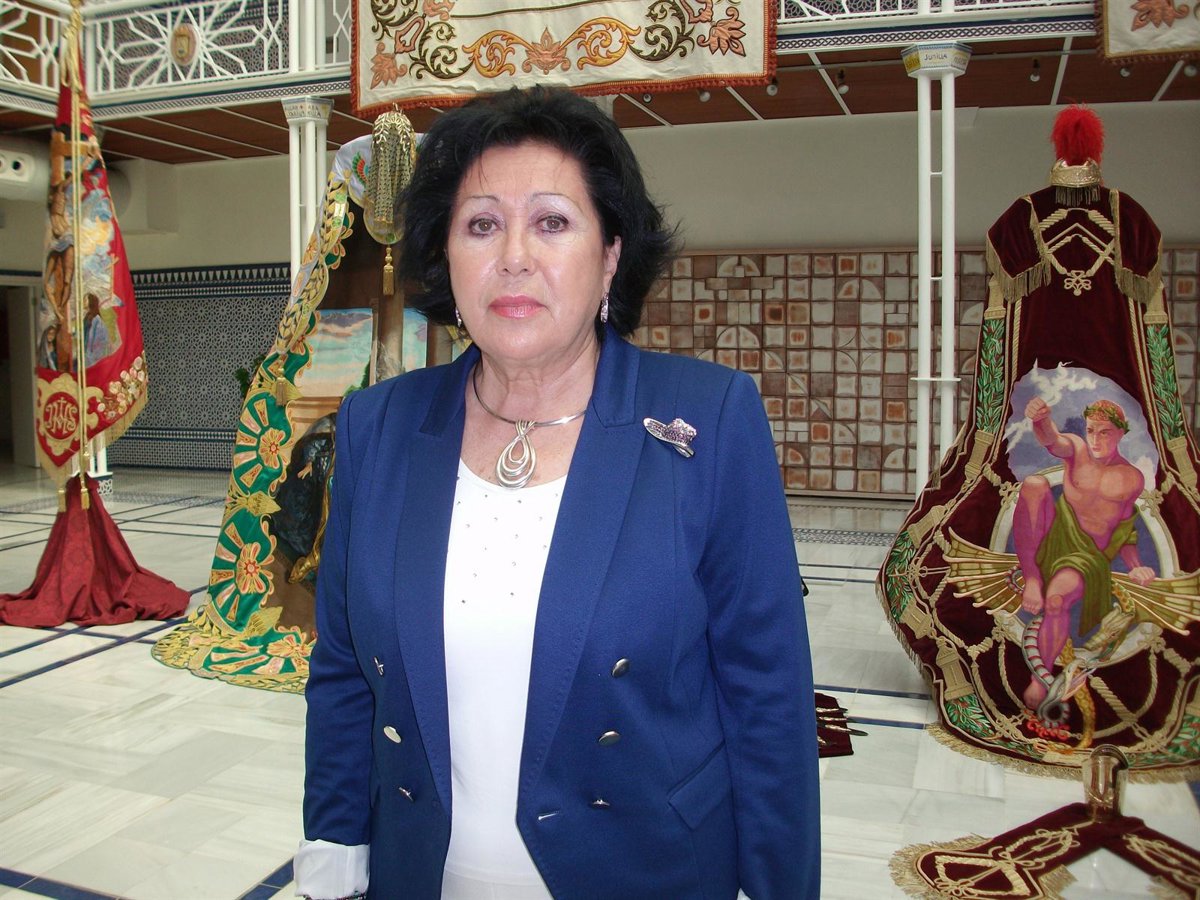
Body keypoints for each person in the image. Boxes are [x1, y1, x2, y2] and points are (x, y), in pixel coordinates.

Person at [298, 86, 819, 900]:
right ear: (446, 255)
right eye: (481, 225)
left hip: (647, 873)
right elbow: (342, 669)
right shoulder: (378, 425)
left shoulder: (710, 417)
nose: (514, 256)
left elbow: (768, 693)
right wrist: (333, 847)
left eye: (551, 222)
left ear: (609, 255)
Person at [1013, 396, 1156, 711]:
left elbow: (1125, 529)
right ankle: (1032, 578)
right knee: (1034, 484)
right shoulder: (1077, 450)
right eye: (1091, 430)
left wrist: (1135, 566)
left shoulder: (1131, 477)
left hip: (1084, 557)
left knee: (1056, 600)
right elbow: (1053, 439)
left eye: (1105, 432)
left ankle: (1040, 677)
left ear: (1120, 433)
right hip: (1053, 535)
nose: (1095, 439)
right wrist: (1040, 419)